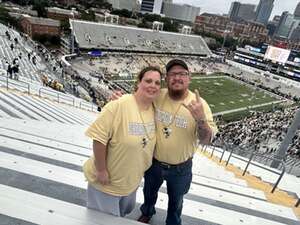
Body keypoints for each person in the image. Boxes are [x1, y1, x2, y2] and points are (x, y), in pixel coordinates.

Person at [137, 59, 218, 225]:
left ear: (189, 78)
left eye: (182, 74)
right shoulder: (158, 95)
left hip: (181, 167)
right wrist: (118, 99)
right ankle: (147, 212)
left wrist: (201, 119)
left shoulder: (200, 104)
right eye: (173, 74)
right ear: (166, 79)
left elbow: (206, 140)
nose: (177, 78)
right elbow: (137, 101)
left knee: (176, 201)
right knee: (149, 192)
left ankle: (173, 222)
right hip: (154, 162)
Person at [83, 66, 162, 217]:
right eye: (148, 81)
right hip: (107, 184)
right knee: (102, 221)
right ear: (138, 82)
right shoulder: (118, 104)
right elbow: (99, 139)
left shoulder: (154, 109)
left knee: (122, 215)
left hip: (131, 182)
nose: (153, 85)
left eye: (157, 83)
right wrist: (101, 170)